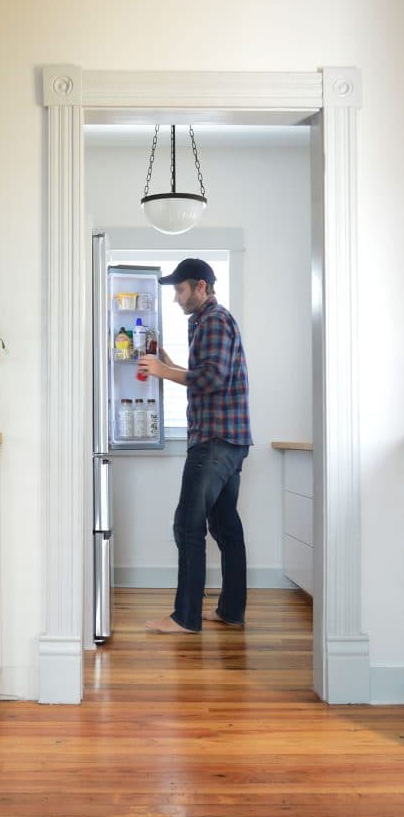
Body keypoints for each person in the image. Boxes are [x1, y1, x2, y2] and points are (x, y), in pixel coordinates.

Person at [139, 258, 252, 634]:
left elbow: (212, 377)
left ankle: (185, 617)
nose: (175, 298)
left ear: (200, 286)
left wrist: (164, 372)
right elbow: (202, 374)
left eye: (180, 289)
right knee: (225, 527)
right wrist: (167, 364)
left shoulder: (215, 320)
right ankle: (231, 611)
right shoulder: (207, 322)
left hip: (214, 440)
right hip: (229, 440)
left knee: (187, 525)